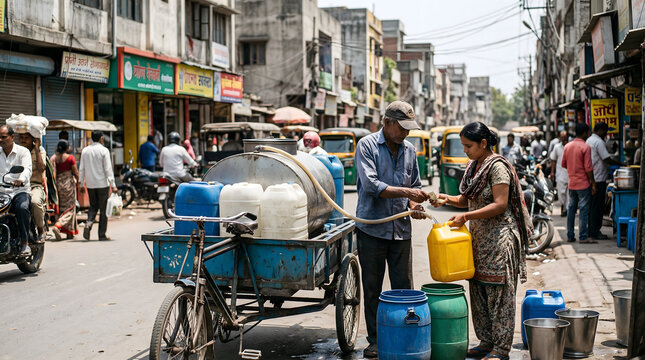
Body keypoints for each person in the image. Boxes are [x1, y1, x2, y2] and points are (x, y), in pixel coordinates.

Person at [430, 121, 531, 360]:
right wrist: (446, 199)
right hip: (478, 240)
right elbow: (467, 199)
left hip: (500, 240)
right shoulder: (474, 166)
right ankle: (486, 342)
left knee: (500, 296)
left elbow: (500, 204)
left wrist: (465, 216)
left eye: (468, 146)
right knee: (479, 292)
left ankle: (500, 348)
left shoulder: (497, 167)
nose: (465, 150)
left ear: (483, 143)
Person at [354, 100, 430, 358]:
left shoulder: (409, 150)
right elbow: (372, 185)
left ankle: (405, 335)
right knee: (373, 287)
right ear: (387, 123)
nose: (406, 133)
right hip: (372, 230)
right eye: (402, 127)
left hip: (401, 230)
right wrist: (408, 192)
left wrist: (413, 203)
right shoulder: (367, 146)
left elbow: (415, 185)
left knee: (404, 287)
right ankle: (375, 340)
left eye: (409, 128)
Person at [586, 122, 624, 240]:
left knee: (592, 206)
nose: (606, 133)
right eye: (606, 131)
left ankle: (591, 230)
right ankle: (595, 231)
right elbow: (606, 159)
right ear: (601, 130)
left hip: (593, 178)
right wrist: (621, 164)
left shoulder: (589, 140)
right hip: (598, 178)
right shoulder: (598, 142)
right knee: (597, 206)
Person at [79, 130, 117, 241]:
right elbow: (108, 169)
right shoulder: (104, 151)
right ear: (101, 138)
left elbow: (81, 168)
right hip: (102, 185)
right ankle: (101, 235)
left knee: (93, 207)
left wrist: (81, 183)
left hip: (90, 185)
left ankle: (89, 223)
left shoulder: (85, 151)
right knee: (103, 210)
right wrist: (113, 185)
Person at [0, 125, 33, 255]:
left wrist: (21, 180)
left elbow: (27, 169)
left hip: (19, 191)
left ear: (12, 137)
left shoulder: (23, 152)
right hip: (2, 192)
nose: (0, 140)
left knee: (22, 207)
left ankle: (25, 243)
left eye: (3, 137)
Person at [561, 123, 595, 243]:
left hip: (572, 183)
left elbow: (563, 164)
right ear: (585, 133)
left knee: (571, 210)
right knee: (583, 210)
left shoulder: (567, 146)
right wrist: (593, 183)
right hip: (583, 184)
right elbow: (588, 168)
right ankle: (583, 236)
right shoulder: (585, 147)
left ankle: (570, 235)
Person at [17, 132, 47, 241]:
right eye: (21, 137)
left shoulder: (40, 151)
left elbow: (42, 168)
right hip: (17, 187)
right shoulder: (16, 152)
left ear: (32, 140)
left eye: (26, 138)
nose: (23, 140)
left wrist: (37, 148)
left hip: (34, 186)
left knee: (34, 202)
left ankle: (41, 230)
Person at [51, 140, 79, 239]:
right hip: (68, 185)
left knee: (61, 208)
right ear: (67, 148)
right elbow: (75, 172)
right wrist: (78, 181)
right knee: (70, 209)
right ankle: (58, 225)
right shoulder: (70, 158)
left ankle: (69, 232)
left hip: (58, 185)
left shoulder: (54, 158)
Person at [550, 131, 569, 217]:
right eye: (562, 137)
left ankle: (567, 210)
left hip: (570, 174)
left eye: (565, 137)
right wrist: (552, 172)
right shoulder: (557, 147)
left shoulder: (570, 146)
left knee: (569, 194)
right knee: (561, 193)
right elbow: (553, 160)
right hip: (560, 173)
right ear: (560, 138)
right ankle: (563, 207)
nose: (564, 139)